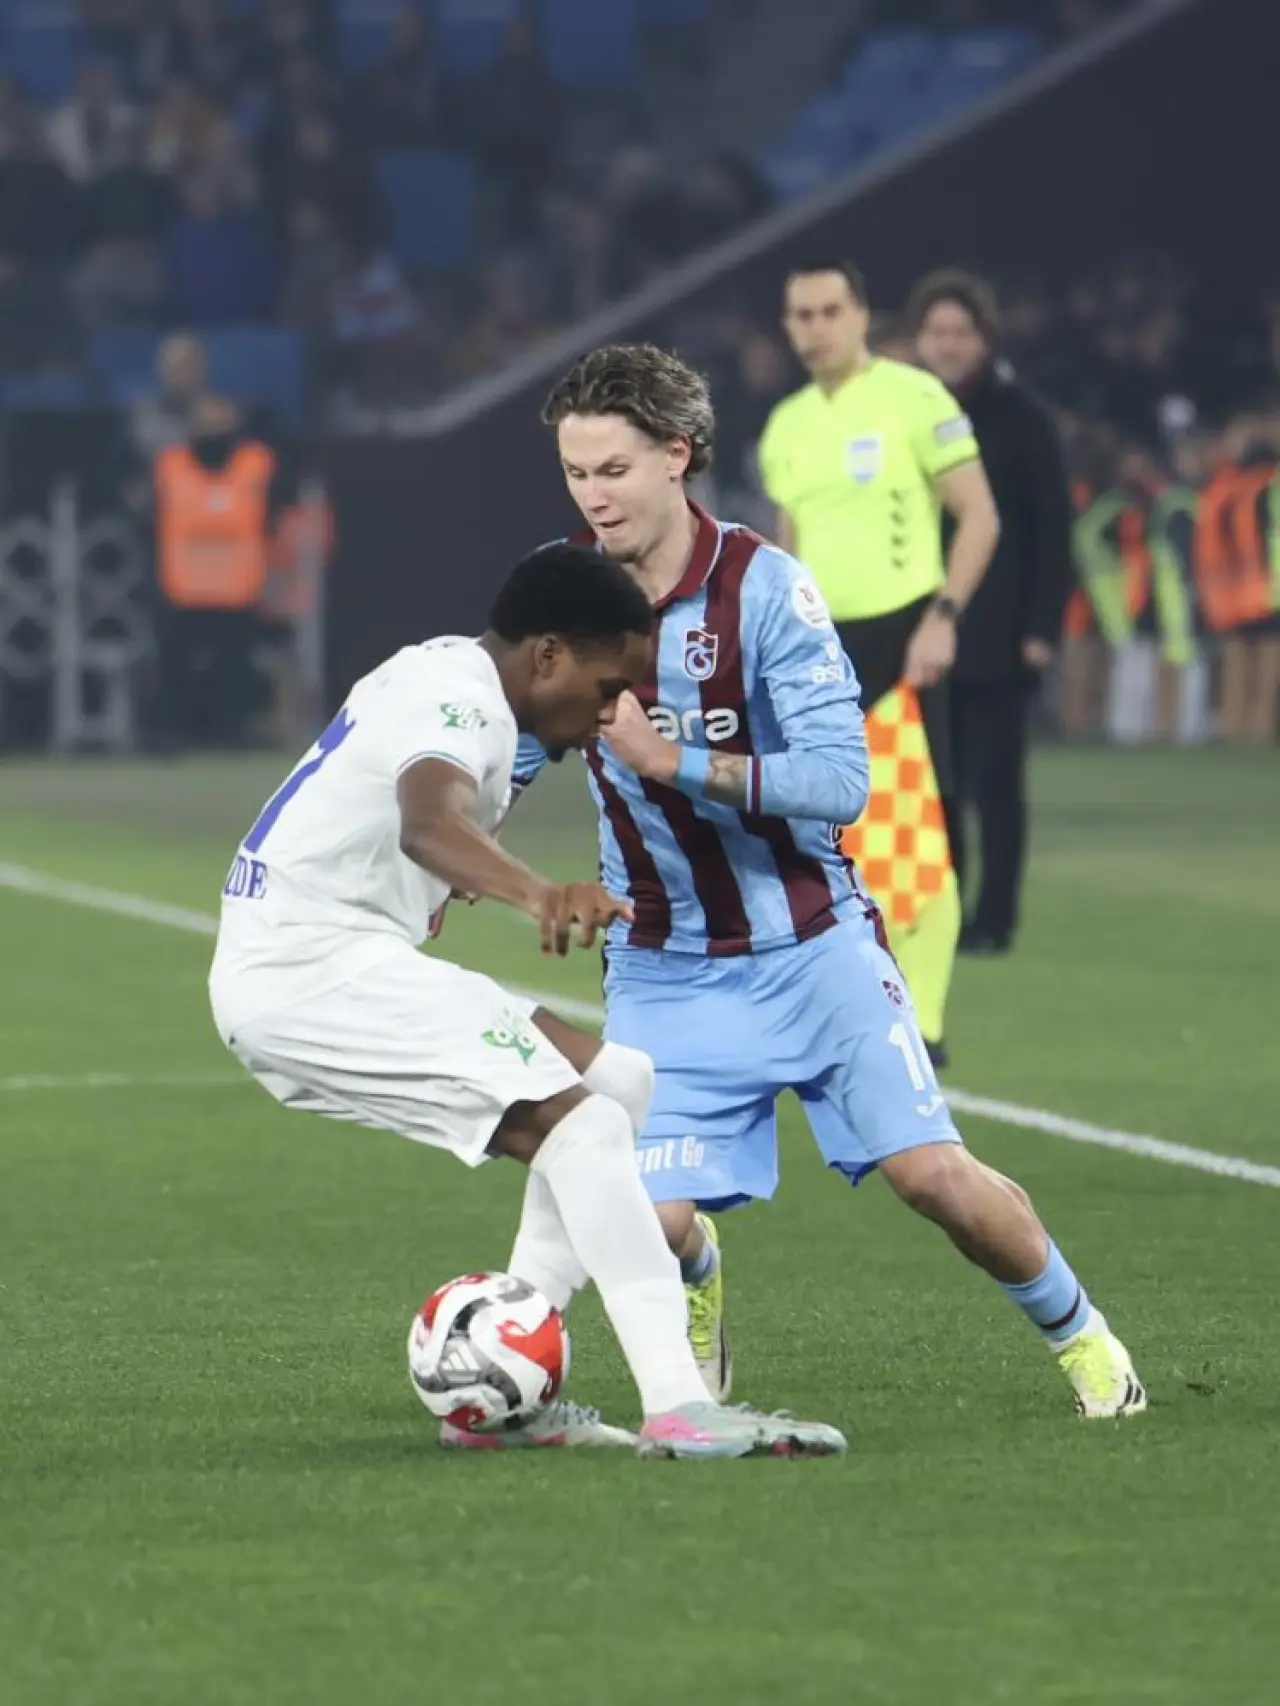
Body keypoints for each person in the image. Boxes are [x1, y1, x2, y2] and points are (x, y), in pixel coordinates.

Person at [523, 343, 1144, 1422]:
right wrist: (463, 850)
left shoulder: (765, 588)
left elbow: (839, 782)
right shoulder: (558, 592)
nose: (593, 496)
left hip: (813, 948)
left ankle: (1083, 1336)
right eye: (576, 473)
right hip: (668, 968)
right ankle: (699, 1269)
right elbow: (512, 737)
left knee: (932, 1177)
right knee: (645, 1218)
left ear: (677, 455)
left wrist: (675, 760)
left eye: (612, 470)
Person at [208, 543, 845, 1461]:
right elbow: (429, 823)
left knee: (620, 1082)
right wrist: (539, 893)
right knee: (584, 1128)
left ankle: (503, 1389)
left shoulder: (454, 681)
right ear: (546, 656)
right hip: (312, 969)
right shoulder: (459, 698)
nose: (611, 714)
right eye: (606, 687)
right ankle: (680, 1406)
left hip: (326, 961)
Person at [759, 262, 1001, 1064]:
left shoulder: (916, 398)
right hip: (818, 653)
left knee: (915, 836)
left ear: (862, 315)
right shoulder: (786, 426)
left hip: (903, 642)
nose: (816, 327)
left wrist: (943, 619)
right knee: (827, 836)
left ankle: (924, 1024)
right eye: (802, 314)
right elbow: (788, 553)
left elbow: (980, 517)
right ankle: (853, 1002)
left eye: (831, 310)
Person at [909, 269, 1074, 955]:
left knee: (997, 788)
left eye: (960, 331)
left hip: (999, 633)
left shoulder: (1021, 417)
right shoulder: (906, 412)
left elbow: (1052, 529)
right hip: (920, 633)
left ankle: (996, 918)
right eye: (936, 332)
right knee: (934, 785)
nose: (947, 344)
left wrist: (1040, 628)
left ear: (984, 339)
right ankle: (944, 910)